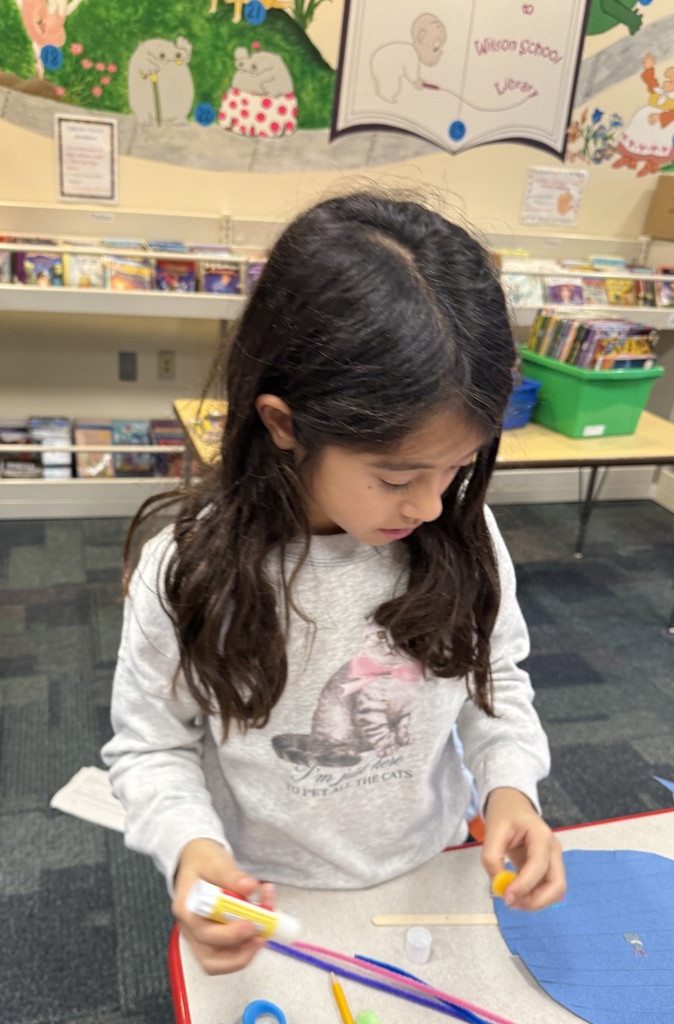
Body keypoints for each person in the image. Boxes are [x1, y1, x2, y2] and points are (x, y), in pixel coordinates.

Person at [101, 189, 566, 976]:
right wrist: (190, 849)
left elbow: (497, 684)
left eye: (456, 470)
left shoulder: (460, 533)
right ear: (285, 424)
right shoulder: (190, 567)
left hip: (436, 864)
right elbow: (151, 748)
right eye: (397, 476)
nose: (428, 504)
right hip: (275, 898)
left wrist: (509, 789)